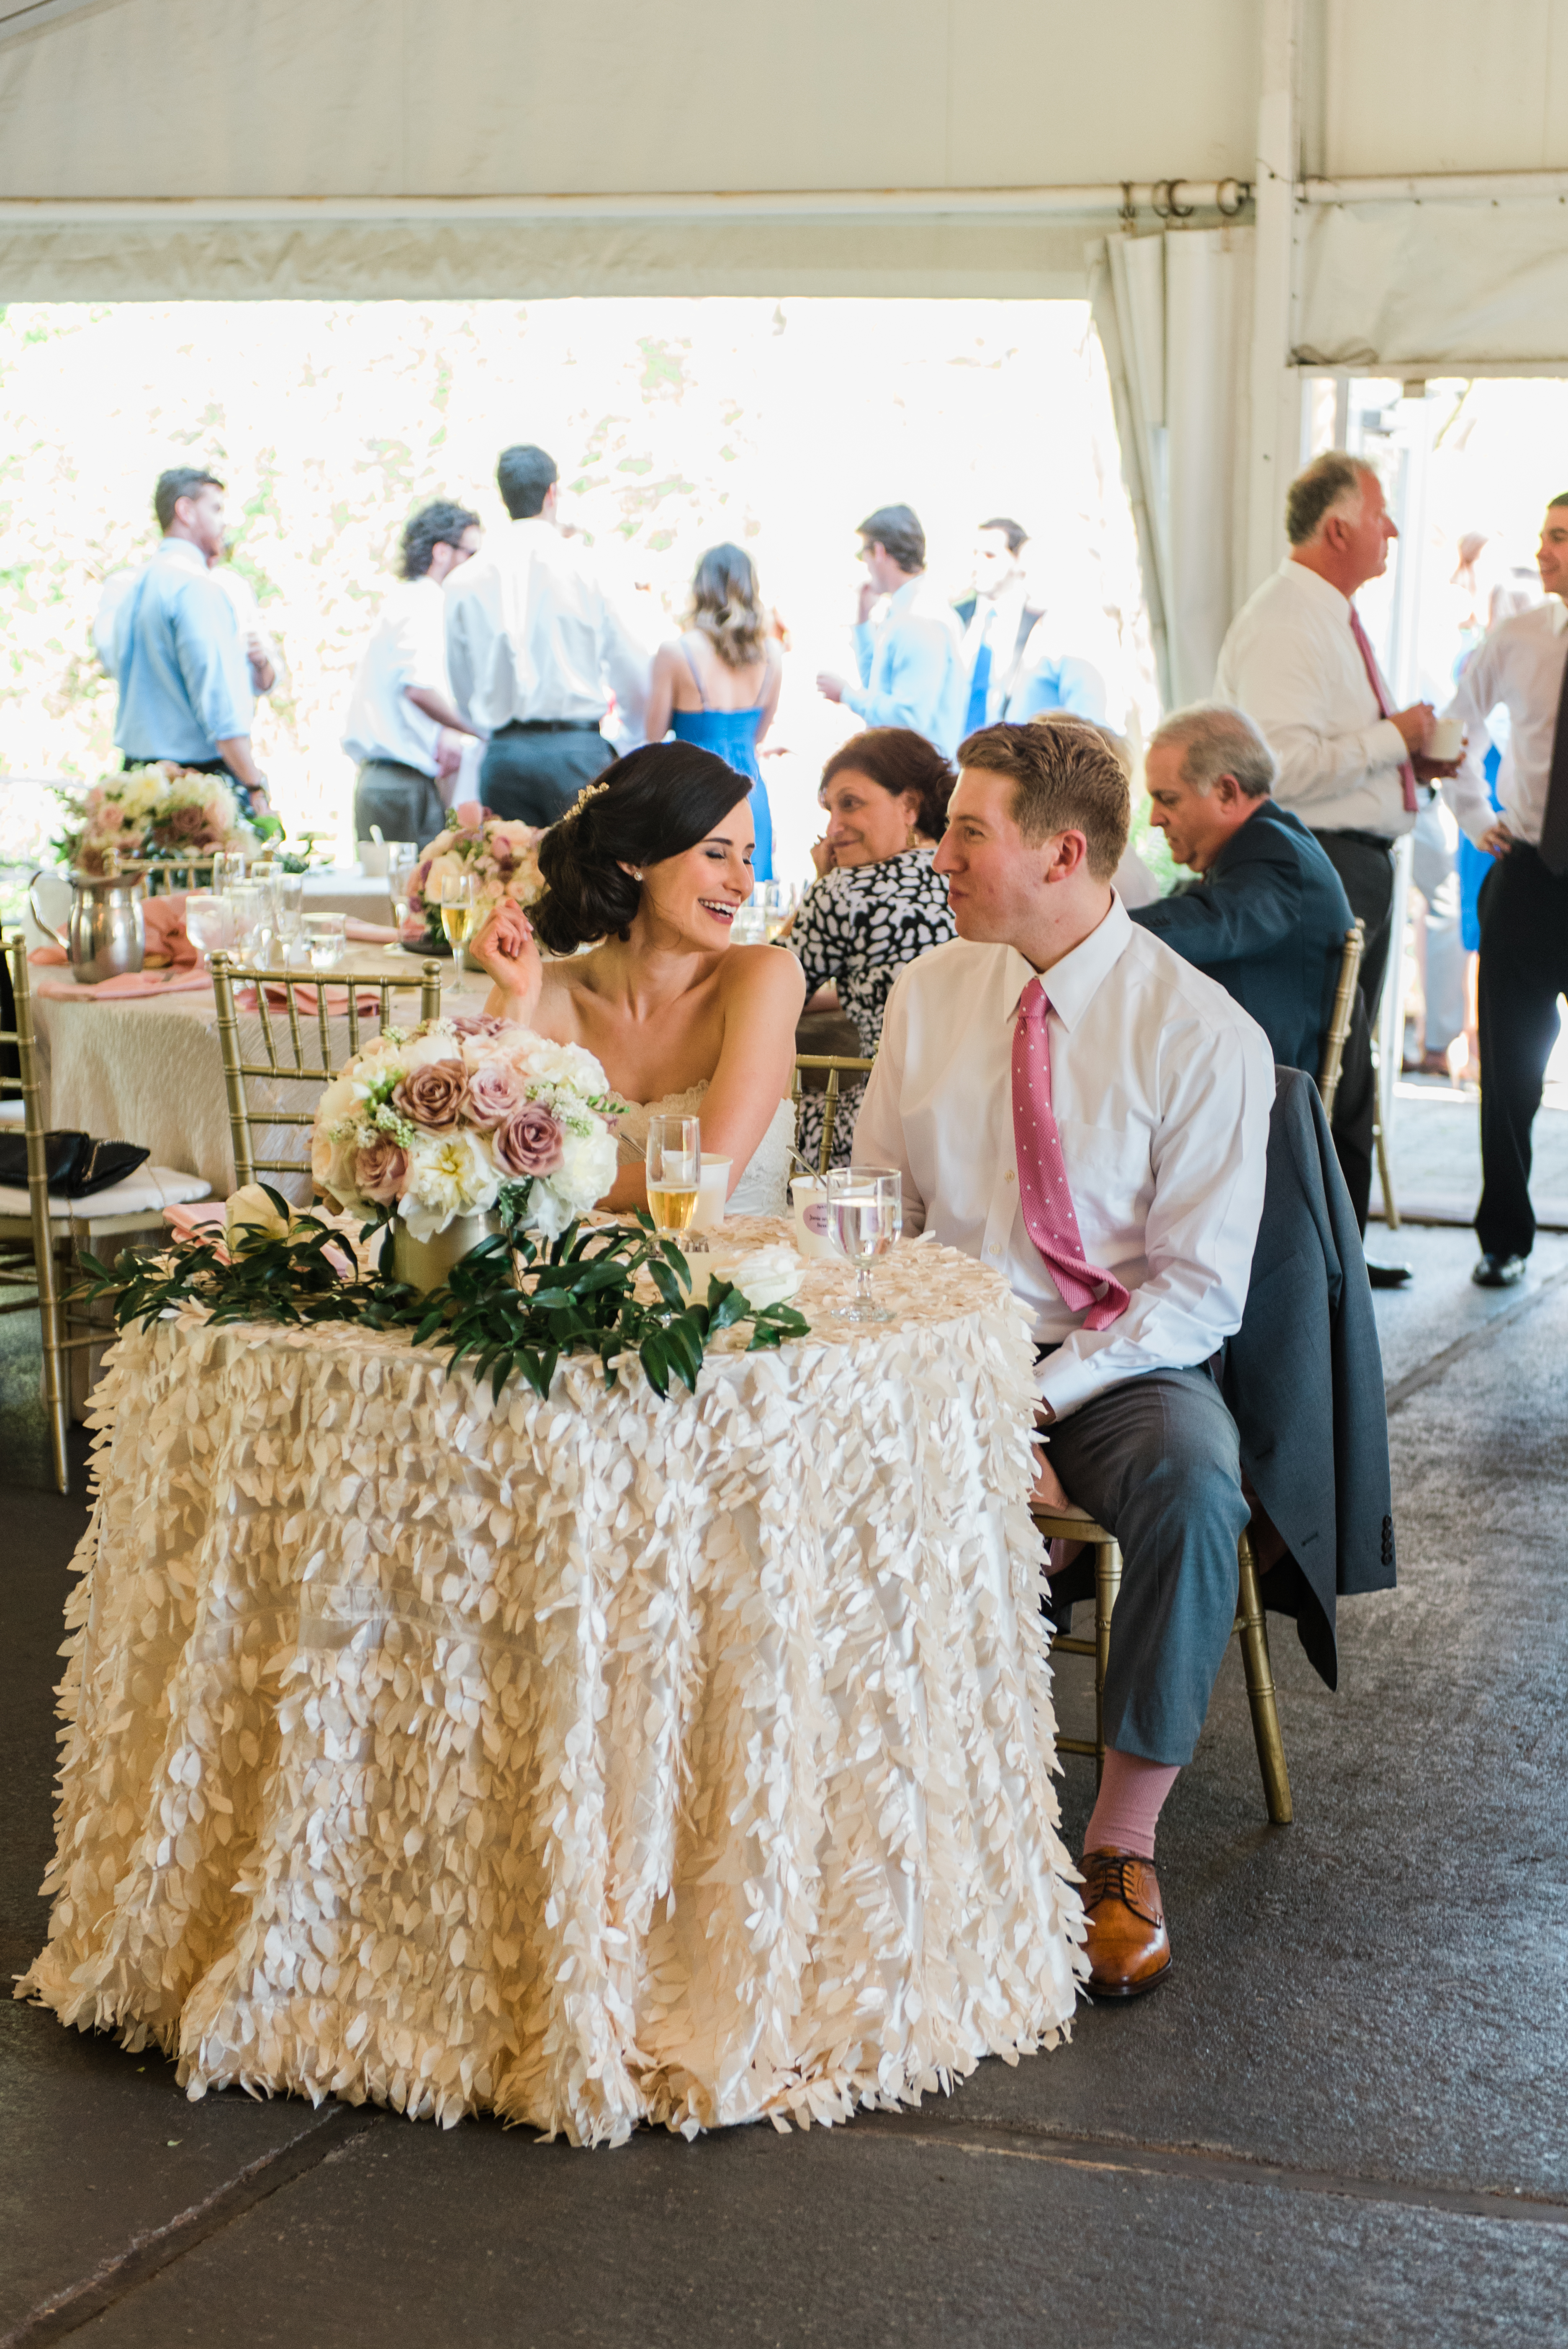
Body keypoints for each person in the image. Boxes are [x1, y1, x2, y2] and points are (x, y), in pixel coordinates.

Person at [853, 716, 1273, 1999]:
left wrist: (1027, 1406)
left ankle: (1120, 1845)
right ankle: (863, 1807)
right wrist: (957, 1387)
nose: (939, 858)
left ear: (1065, 853)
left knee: (1197, 1490)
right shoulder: (931, 990)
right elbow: (875, 1205)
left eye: (967, 833)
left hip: (1115, 1362)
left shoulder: (1202, 1035)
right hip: (941, 1340)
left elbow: (1196, 1296)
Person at [1214, 451, 1461, 1288]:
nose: (1393, 529)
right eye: (1382, 513)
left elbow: (1323, 750)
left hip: (1350, 862)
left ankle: (1339, 1261)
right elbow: (1278, 765)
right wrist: (1394, 740)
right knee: (1327, 1067)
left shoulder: (1325, 613)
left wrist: (1401, 766)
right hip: (1316, 867)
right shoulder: (1290, 619)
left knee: (1346, 1066)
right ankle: (1320, 1270)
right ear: (1338, 528)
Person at [470, 743, 805, 1214]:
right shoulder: (545, 997)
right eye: (716, 854)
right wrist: (517, 996)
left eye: (746, 857)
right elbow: (477, 1162)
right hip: (568, 1285)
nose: (743, 883)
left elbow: (702, 1180)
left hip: (735, 1280)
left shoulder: (763, 978)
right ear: (634, 858)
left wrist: (537, 1187)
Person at [1128, 704, 1371, 1209]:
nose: (1154, 819)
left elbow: (1210, 924)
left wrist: (1085, 923)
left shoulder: (1272, 854)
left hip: (1279, 1118)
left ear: (1225, 791)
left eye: (1166, 798)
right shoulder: (1269, 839)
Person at [1441, 491, 1568, 1288]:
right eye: (1547, 535)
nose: (1545, 551)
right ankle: (1505, 1236)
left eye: (1560, 538)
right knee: (1511, 1073)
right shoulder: (1519, 637)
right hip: (1527, 875)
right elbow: (1456, 723)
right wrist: (1469, 810)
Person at [445, 443, 650, 826]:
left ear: (504, 497)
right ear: (553, 493)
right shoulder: (593, 568)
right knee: (586, 879)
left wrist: (490, 728)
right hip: (578, 751)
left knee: (508, 879)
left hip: (505, 755)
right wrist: (629, 740)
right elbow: (634, 668)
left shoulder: (464, 581)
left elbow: (462, 683)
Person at [789, 727, 958, 1170]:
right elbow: (887, 982)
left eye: (850, 803)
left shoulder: (844, 892)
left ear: (909, 804)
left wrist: (820, 885)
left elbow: (768, 994)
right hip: (975, 1125)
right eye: (829, 810)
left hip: (884, 1134)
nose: (831, 828)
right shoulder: (968, 877)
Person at [109, 467, 272, 822]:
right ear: (185, 511)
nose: (224, 523)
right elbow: (220, 704)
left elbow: (111, 661)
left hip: (136, 779)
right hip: (193, 788)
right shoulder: (196, 589)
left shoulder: (131, 588)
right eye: (215, 509)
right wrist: (254, 785)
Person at [342, 499, 484, 848]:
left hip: (392, 782)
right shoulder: (426, 603)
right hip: (400, 786)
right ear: (441, 553)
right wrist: (477, 730)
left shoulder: (407, 601)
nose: (478, 568)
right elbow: (419, 689)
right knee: (410, 898)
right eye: (471, 555)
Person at [643, 544, 783, 882]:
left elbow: (651, 735)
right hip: (750, 792)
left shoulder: (676, 653)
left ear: (700, 588)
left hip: (693, 793)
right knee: (746, 897)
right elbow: (759, 735)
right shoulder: (772, 654)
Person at [816, 504, 966, 755]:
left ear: (879, 551)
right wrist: (863, 621)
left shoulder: (919, 618)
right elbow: (880, 687)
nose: (863, 564)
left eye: (862, 554)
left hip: (923, 784)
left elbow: (909, 719)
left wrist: (847, 695)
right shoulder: (907, 611)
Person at [956, 518, 1106, 730]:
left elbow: (1090, 720)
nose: (1023, 585)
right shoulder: (1044, 626)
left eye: (1026, 574)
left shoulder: (1076, 629)